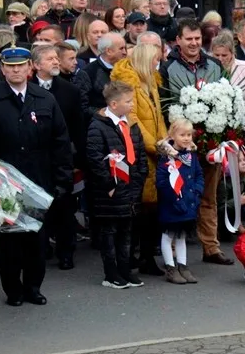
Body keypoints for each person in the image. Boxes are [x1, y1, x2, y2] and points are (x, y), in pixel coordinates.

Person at [0, 46, 72, 307]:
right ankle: (13, 290)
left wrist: (62, 180)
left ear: (30, 67)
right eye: (10, 66)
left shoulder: (44, 98)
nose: (16, 70)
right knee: (10, 240)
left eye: (21, 65)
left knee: (37, 239)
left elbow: (60, 140)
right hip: (5, 183)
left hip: (39, 179)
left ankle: (33, 287)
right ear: (3, 69)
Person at [161, 19, 229, 266]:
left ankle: (211, 247)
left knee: (209, 196)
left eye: (197, 39)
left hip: (210, 142)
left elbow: (226, 99)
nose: (193, 43)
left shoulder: (214, 65)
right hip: (180, 145)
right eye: (188, 39)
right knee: (177, 194)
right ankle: (173, 251)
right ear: (178, 40)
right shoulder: (167, 68)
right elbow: (164, 106)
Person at [111, 41, 168, 276]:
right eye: (155, 60)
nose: (158, 64)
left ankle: (146, 256)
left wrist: (165, 142)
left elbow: (158, 118)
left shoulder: (151, 83)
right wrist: (156, 145)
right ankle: (132, 257)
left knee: (150, 211)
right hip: (139, 154)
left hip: (155, 154)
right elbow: (132, 120)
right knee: (139, 211)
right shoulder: (130, 85)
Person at [85, 80, 147, 288]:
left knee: (126, 233)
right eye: (128, 101)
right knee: (110, 233)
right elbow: (94, 158)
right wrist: (109, 185)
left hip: (130, 188)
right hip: (110, 191)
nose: (132, 105)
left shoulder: (131, 125)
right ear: (113, 104)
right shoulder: (98, 126)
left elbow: (139, 155)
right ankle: (111, 274)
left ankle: (125, 270)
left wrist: (139, 179)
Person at [31, 44, 86, 271]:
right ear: (36, 65)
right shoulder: (28, 88)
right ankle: (42, 248)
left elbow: (78, 127)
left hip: (62, 158)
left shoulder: (69, 90)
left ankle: (66, 252)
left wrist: (78, 161)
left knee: (65, 207)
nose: (56, 62)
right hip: (35, 158)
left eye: (56, 58)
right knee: (38, 207)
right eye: (50, 59)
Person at [156, 119, 204, 285]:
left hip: (189, 202)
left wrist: (197, 191)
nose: (186, 138)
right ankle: (171, 267)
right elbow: (162, 182)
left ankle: (183, 266)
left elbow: (198, 175)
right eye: (182, 135)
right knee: (168, 235)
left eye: (189, 135)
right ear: (172, 135)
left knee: (182, 235)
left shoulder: (191, 155)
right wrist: (175, 198)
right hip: (172, 203)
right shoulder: (166, 157)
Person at [77, 32, 127, 118]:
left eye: (125, 48)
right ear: (108, 51)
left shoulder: (128, 69)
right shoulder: (88, 73)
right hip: (101, 123)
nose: (125, 52)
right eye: (121, 49)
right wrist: (103, 113)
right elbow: (82, 106)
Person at [211, 32, 245, 114]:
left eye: (224, 55)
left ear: (232, 53)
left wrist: (242, 117)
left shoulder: (243, 66)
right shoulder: (207, 68)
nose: (220, 59)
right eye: (217, 55)